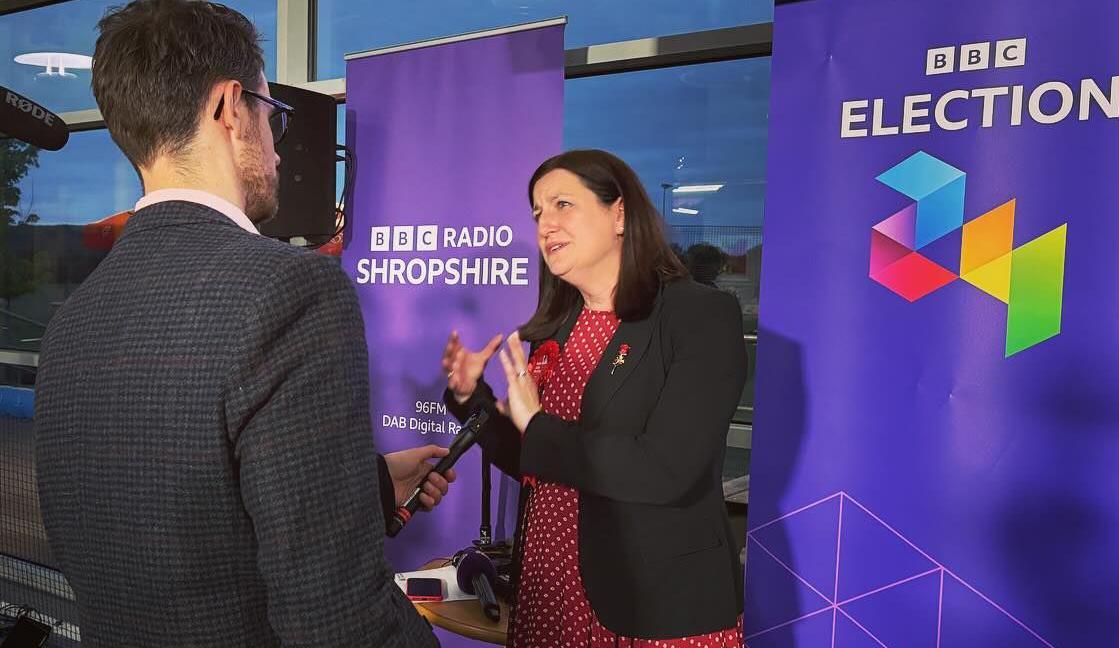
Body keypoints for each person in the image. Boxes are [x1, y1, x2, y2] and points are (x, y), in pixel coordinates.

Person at [33, 2, 443, 646]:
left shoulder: (73, 323)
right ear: (230, 108)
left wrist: (367, 490)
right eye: (271, 114)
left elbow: (177, 522)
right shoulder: (293, 291)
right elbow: (338, 623)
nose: (278, 147)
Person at [442, 149, 745, 646]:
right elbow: (538, 461)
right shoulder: (558, 328)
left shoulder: (700, 316)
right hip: (550, 584)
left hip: (650, 603)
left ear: (620, 214)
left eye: (563, 204)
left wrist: (536, 423)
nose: (545, 225)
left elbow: (665, 467)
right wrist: (472, 397)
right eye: (538, 212)